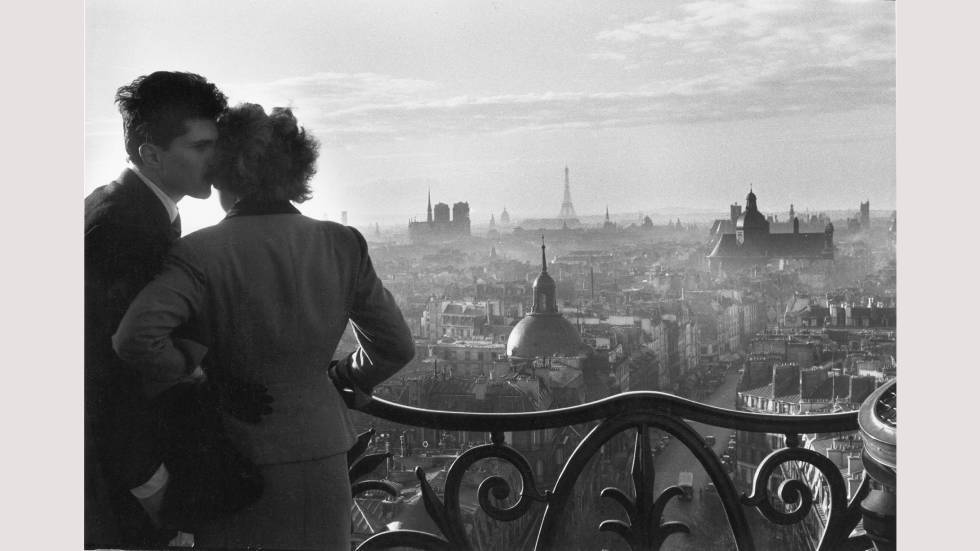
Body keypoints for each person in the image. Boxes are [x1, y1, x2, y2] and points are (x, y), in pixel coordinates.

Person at [112, 103, 415, 550]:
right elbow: (395, 345)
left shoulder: (201, 252)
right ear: (298, 170)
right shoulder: (341, 243)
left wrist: (198, 374)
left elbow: (134, 338)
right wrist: (344, 376)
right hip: (323, 449)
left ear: (222, 171)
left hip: (235, 455)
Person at [84, 71, 227, 548]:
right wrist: (153, 486)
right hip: (117, 484)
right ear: (151, 154)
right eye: (200, 146)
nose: (216, 159)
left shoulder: (121, 206)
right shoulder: (125, 230)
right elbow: (103, 372)